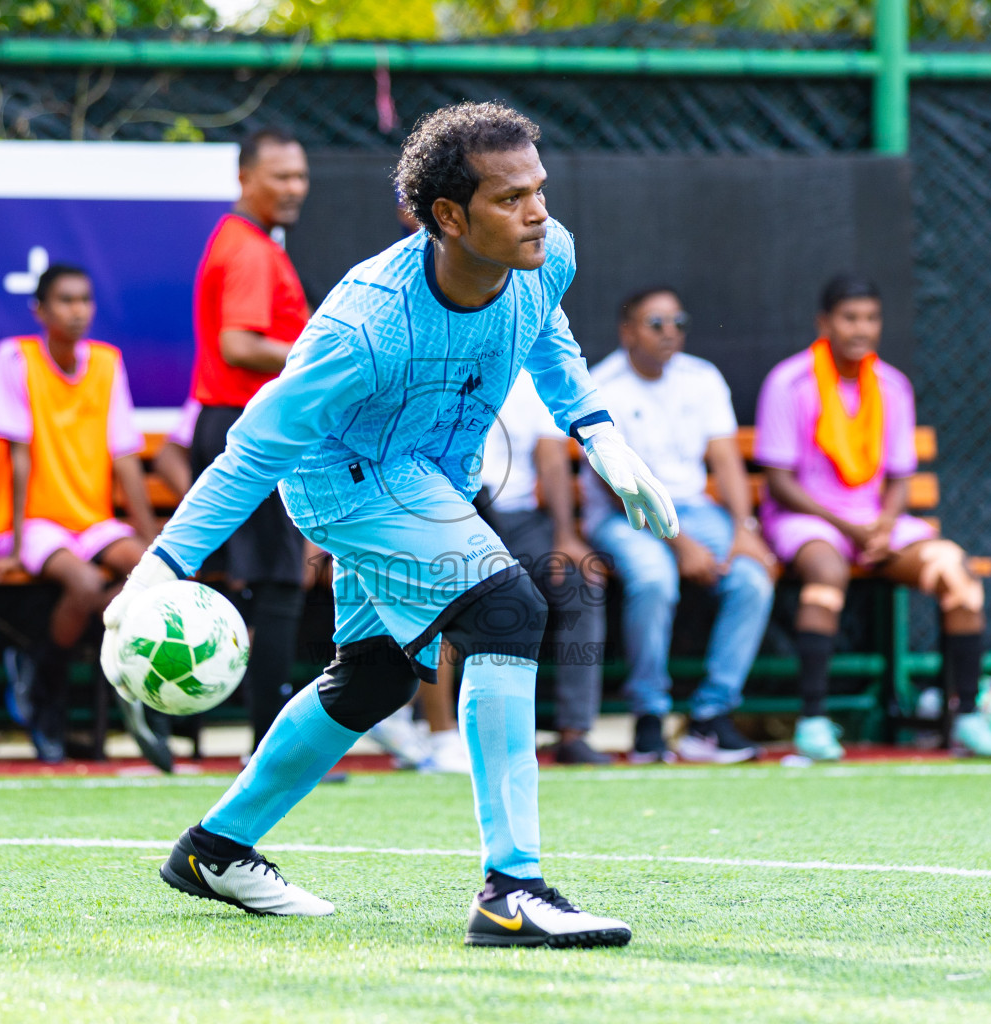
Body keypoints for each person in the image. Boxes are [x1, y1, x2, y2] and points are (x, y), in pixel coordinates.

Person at [101, 102, 676, 947]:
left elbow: (545, 332)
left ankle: (214, 849)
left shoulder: (546, 255)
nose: (539, 213)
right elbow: (251, 449)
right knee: (507, 610)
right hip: (348, 484)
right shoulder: (365, 325)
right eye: (511, 198)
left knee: (374, 677)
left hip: (433, 478)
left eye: (539, 189)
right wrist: (159, 568)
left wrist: (599, 432)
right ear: (449, 216)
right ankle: (511, 890)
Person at [755, 273, 991, 760]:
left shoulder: (892, 385)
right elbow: (780, 483)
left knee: (958, 573)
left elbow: (898, 478)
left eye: (871, 319)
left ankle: (967, 717)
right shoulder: (789, 382)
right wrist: (850, 527)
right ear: (824, 323)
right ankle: (812, 722)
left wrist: (885, 525)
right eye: (850, 318)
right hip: (808, 521)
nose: (861, 329)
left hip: (877, 525)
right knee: (826, 573)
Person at [586, 287, 776, 764]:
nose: (670, 333)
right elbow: (619, 485)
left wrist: (743, 527)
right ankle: (649, 716)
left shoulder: (702, 378)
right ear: (628, 331)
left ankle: (711, 719)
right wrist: (679, 543)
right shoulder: (602, 384)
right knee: (654, 580)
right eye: (656, 324)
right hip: (626, 516)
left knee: (753, 579)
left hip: (695, 510)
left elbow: (727, 461)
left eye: (678, 322)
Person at [0, 264, 161, 765]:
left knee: (146, 573)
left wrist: (156, 544)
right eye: (64, 300)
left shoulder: (107, 362)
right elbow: (18, 457)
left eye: (84, 300)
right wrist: (15, 545)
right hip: (31, 524)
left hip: (91, 521)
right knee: (83, 585)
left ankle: (122, 688)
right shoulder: (14, 359)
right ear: (39, 310)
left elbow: (125, 457)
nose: (77, 310)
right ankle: (46, 695)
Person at [188, 127, 314, 752]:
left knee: (236, 584)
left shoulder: (249, 242)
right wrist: (325, 361)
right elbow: (238, 345)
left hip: (238, 424)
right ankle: (271, 747)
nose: (294, 188)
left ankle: (169, 721)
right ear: (244, 178)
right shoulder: (249, 250)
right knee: (280, 588)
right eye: (280, 176)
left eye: (299, 176)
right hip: (250, 428)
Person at [430, 370, 613, 767]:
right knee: (450, 593)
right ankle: (441, 735)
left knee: (578, 580)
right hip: (460, 513)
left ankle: (573, 733)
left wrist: (566, 535)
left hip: (524, 519)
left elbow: (550, 460)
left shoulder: (527, 377)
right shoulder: (440, 364)